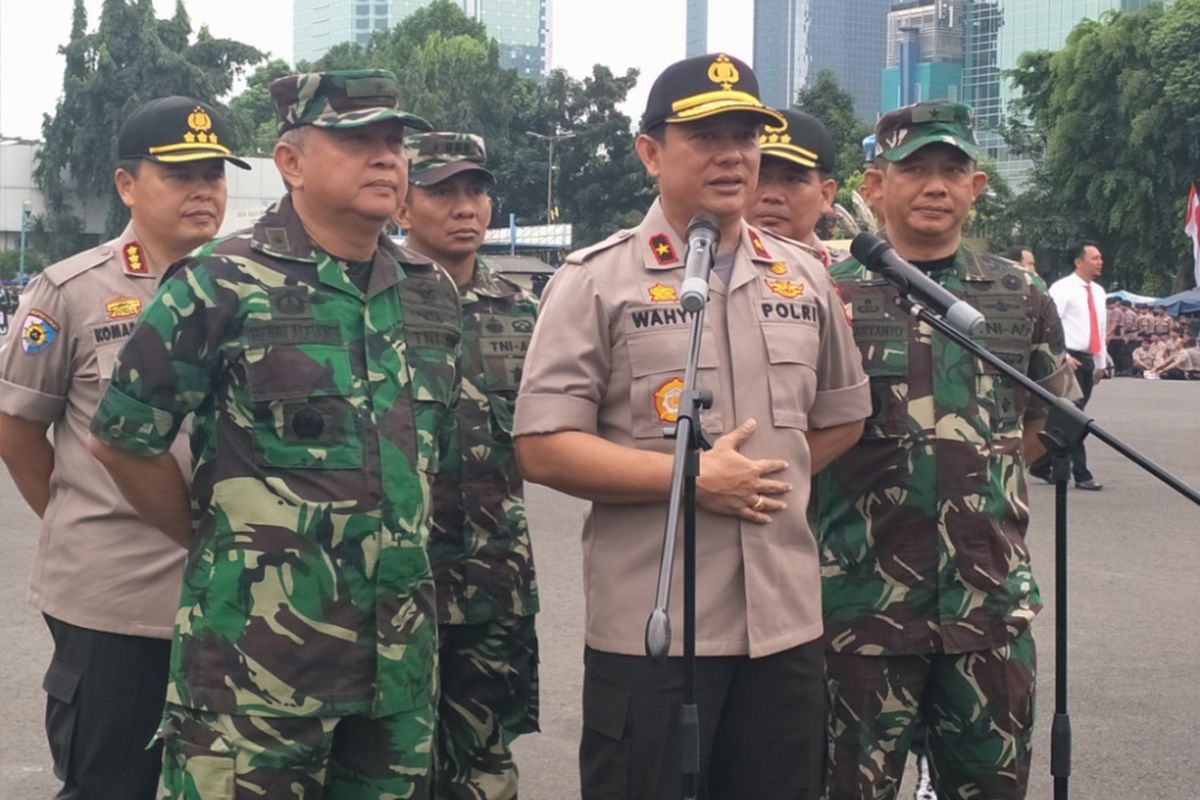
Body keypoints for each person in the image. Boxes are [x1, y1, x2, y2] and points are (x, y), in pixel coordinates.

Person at [86, 70, 461, 799]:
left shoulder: (429, 289)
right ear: (290, 162)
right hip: (251, 675)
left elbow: (429, 457)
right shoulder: (219, 282)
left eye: (395, 140)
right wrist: (211, 537)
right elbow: (124, 437)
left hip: (398, 673)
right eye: (358, 140)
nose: (387, 157)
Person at [513, 53, 870, 799]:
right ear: (651, 151)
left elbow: (841, 414)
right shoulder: (595, 280)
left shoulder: (802, 276)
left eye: (746, 136)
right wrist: (693, 477)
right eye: (706, 136)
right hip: (656, 630)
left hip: (784, 627)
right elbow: (543, 445)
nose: (734, 155)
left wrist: (772, 477)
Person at [812, 100, 1072, 800]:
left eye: (952, 170)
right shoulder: (826, 296)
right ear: (873, 186)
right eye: (915, 169)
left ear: (976, 186)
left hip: (987, 611)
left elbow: (1045, 415)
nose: (935, 185)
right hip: (857, 611)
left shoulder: (1020, 295)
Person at [0, 96, 248, 800]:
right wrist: (77, 512)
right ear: (125, 185)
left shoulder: (253, 290)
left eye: (215, 174)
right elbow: (16, 426)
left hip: (236, 595)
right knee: (112, 783)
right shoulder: (70, 292)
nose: (204, 189)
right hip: (117, 600)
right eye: (180, 174)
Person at [396, 131, 540, 799]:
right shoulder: (371, 302)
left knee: (486, 767)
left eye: (476, 189)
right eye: (442, 190)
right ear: (401, 205)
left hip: (494, 583)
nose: (465, 207)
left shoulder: (523, 310)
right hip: (398, 583)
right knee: (391, 762)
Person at [1027, 240, 1107, 491]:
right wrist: (1060, 355)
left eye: (1100, 258)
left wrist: (1101, 362)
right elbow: (1049, 323)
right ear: (1079, 261)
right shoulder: (1063, 288)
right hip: (1068, 357)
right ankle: (1082, 474)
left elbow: (1100, 328)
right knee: (1075, 416)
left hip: (1086, 358)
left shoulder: (1098, 292)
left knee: (1065, 417)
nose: (1099, 262)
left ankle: (1041, 463)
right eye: (1094, 258)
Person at [747, 108, 847, 266]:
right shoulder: (706, 274)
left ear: (825, 195)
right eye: (759, 178)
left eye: (792, 180)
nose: (772, 196)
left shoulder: (851, 279)